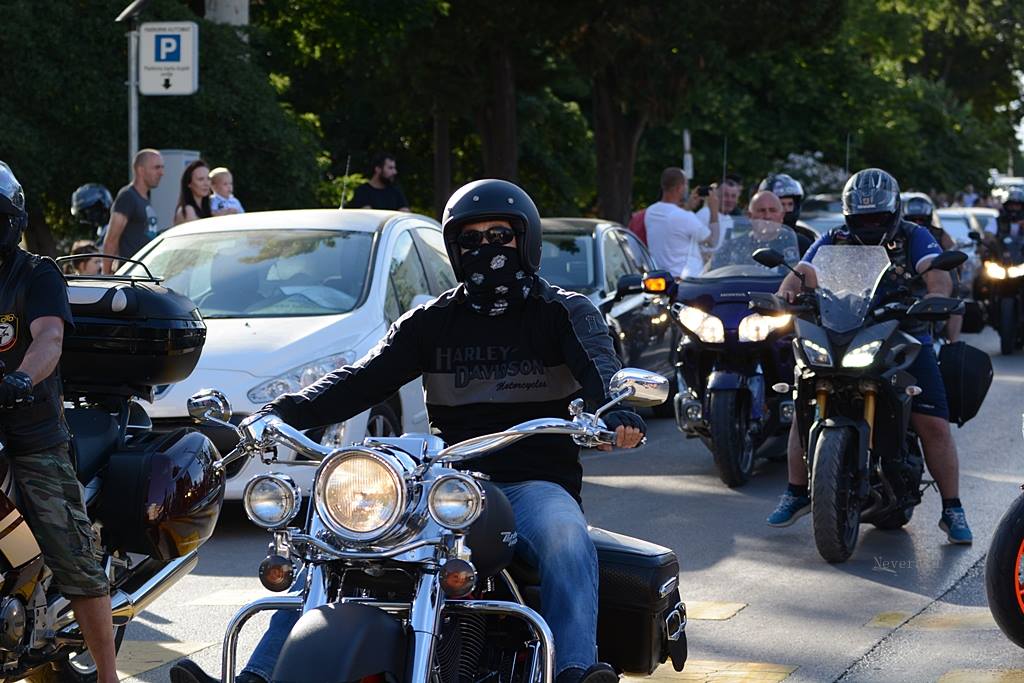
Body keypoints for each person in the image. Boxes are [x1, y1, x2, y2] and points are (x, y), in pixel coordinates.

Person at [169, 178, 647, 683]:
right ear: (455, 249)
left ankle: (574, 668)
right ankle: (255, 677)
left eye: (499, 236)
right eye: (472, 239)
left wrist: (616, 411)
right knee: (328, 543)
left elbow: (602, 372)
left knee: (566, 537)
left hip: (532, 483)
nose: (487, 249)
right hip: (441, 483)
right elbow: (359, 380)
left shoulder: (563, 312)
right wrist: (282, 413)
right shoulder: (431, 321)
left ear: (524, 241)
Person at [765, 168, 972, 544]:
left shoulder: (915, 235)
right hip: (843, 329)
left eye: (877, 217)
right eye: (862, 218)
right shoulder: (834, 238)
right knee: (802, 405)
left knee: (933, 422)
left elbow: (934, 271)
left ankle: (953, 508)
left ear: (893, 212)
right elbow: (805, 269)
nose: (869, 224)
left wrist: (935, 298)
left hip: (904, 332)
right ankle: (796, 492)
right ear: (849, 216)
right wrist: (786, 295)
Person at [0, 161, 119, 683]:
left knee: (73, 559)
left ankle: (109, 677)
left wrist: (22, 380)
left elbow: (49, 337)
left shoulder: (35, 274)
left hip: (30, 435)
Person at [902, 192, 962, 341]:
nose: (917, 222)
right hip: (906, 279)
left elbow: (952, 248)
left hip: (936, 274)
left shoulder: (939, 233)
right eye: (913, 219)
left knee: (956, 302)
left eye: (921, 219)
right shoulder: (898, 235)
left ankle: (953, 342)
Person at [645, 167, 719, 278]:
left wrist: (688, 207)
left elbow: (673, 223)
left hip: (662, 278)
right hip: (687, 281)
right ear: (680, 188)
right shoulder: (684, 217)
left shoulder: (650, 212)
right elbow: (713, 240)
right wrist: (714, 210)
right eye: (686, 185)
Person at [103, 148, 163, 274]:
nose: (161, 172)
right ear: (141, 170)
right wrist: (106, 276)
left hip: (143, 273)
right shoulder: (128, 196)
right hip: (130, 275)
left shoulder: (145, 198)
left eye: (162, 167)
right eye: (156, 167)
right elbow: (111, 239)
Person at [696, 177, 740, 250]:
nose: (730, 200)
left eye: (733, 196)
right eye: (725, 195)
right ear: (716, 195)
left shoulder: (730, 220)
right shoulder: (704, 214)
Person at [173, 159, 212, 225]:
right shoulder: (188, 210)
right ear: (189, 183)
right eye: (200, 179)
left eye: (208, 178)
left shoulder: (207, 207)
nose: (206, 183)